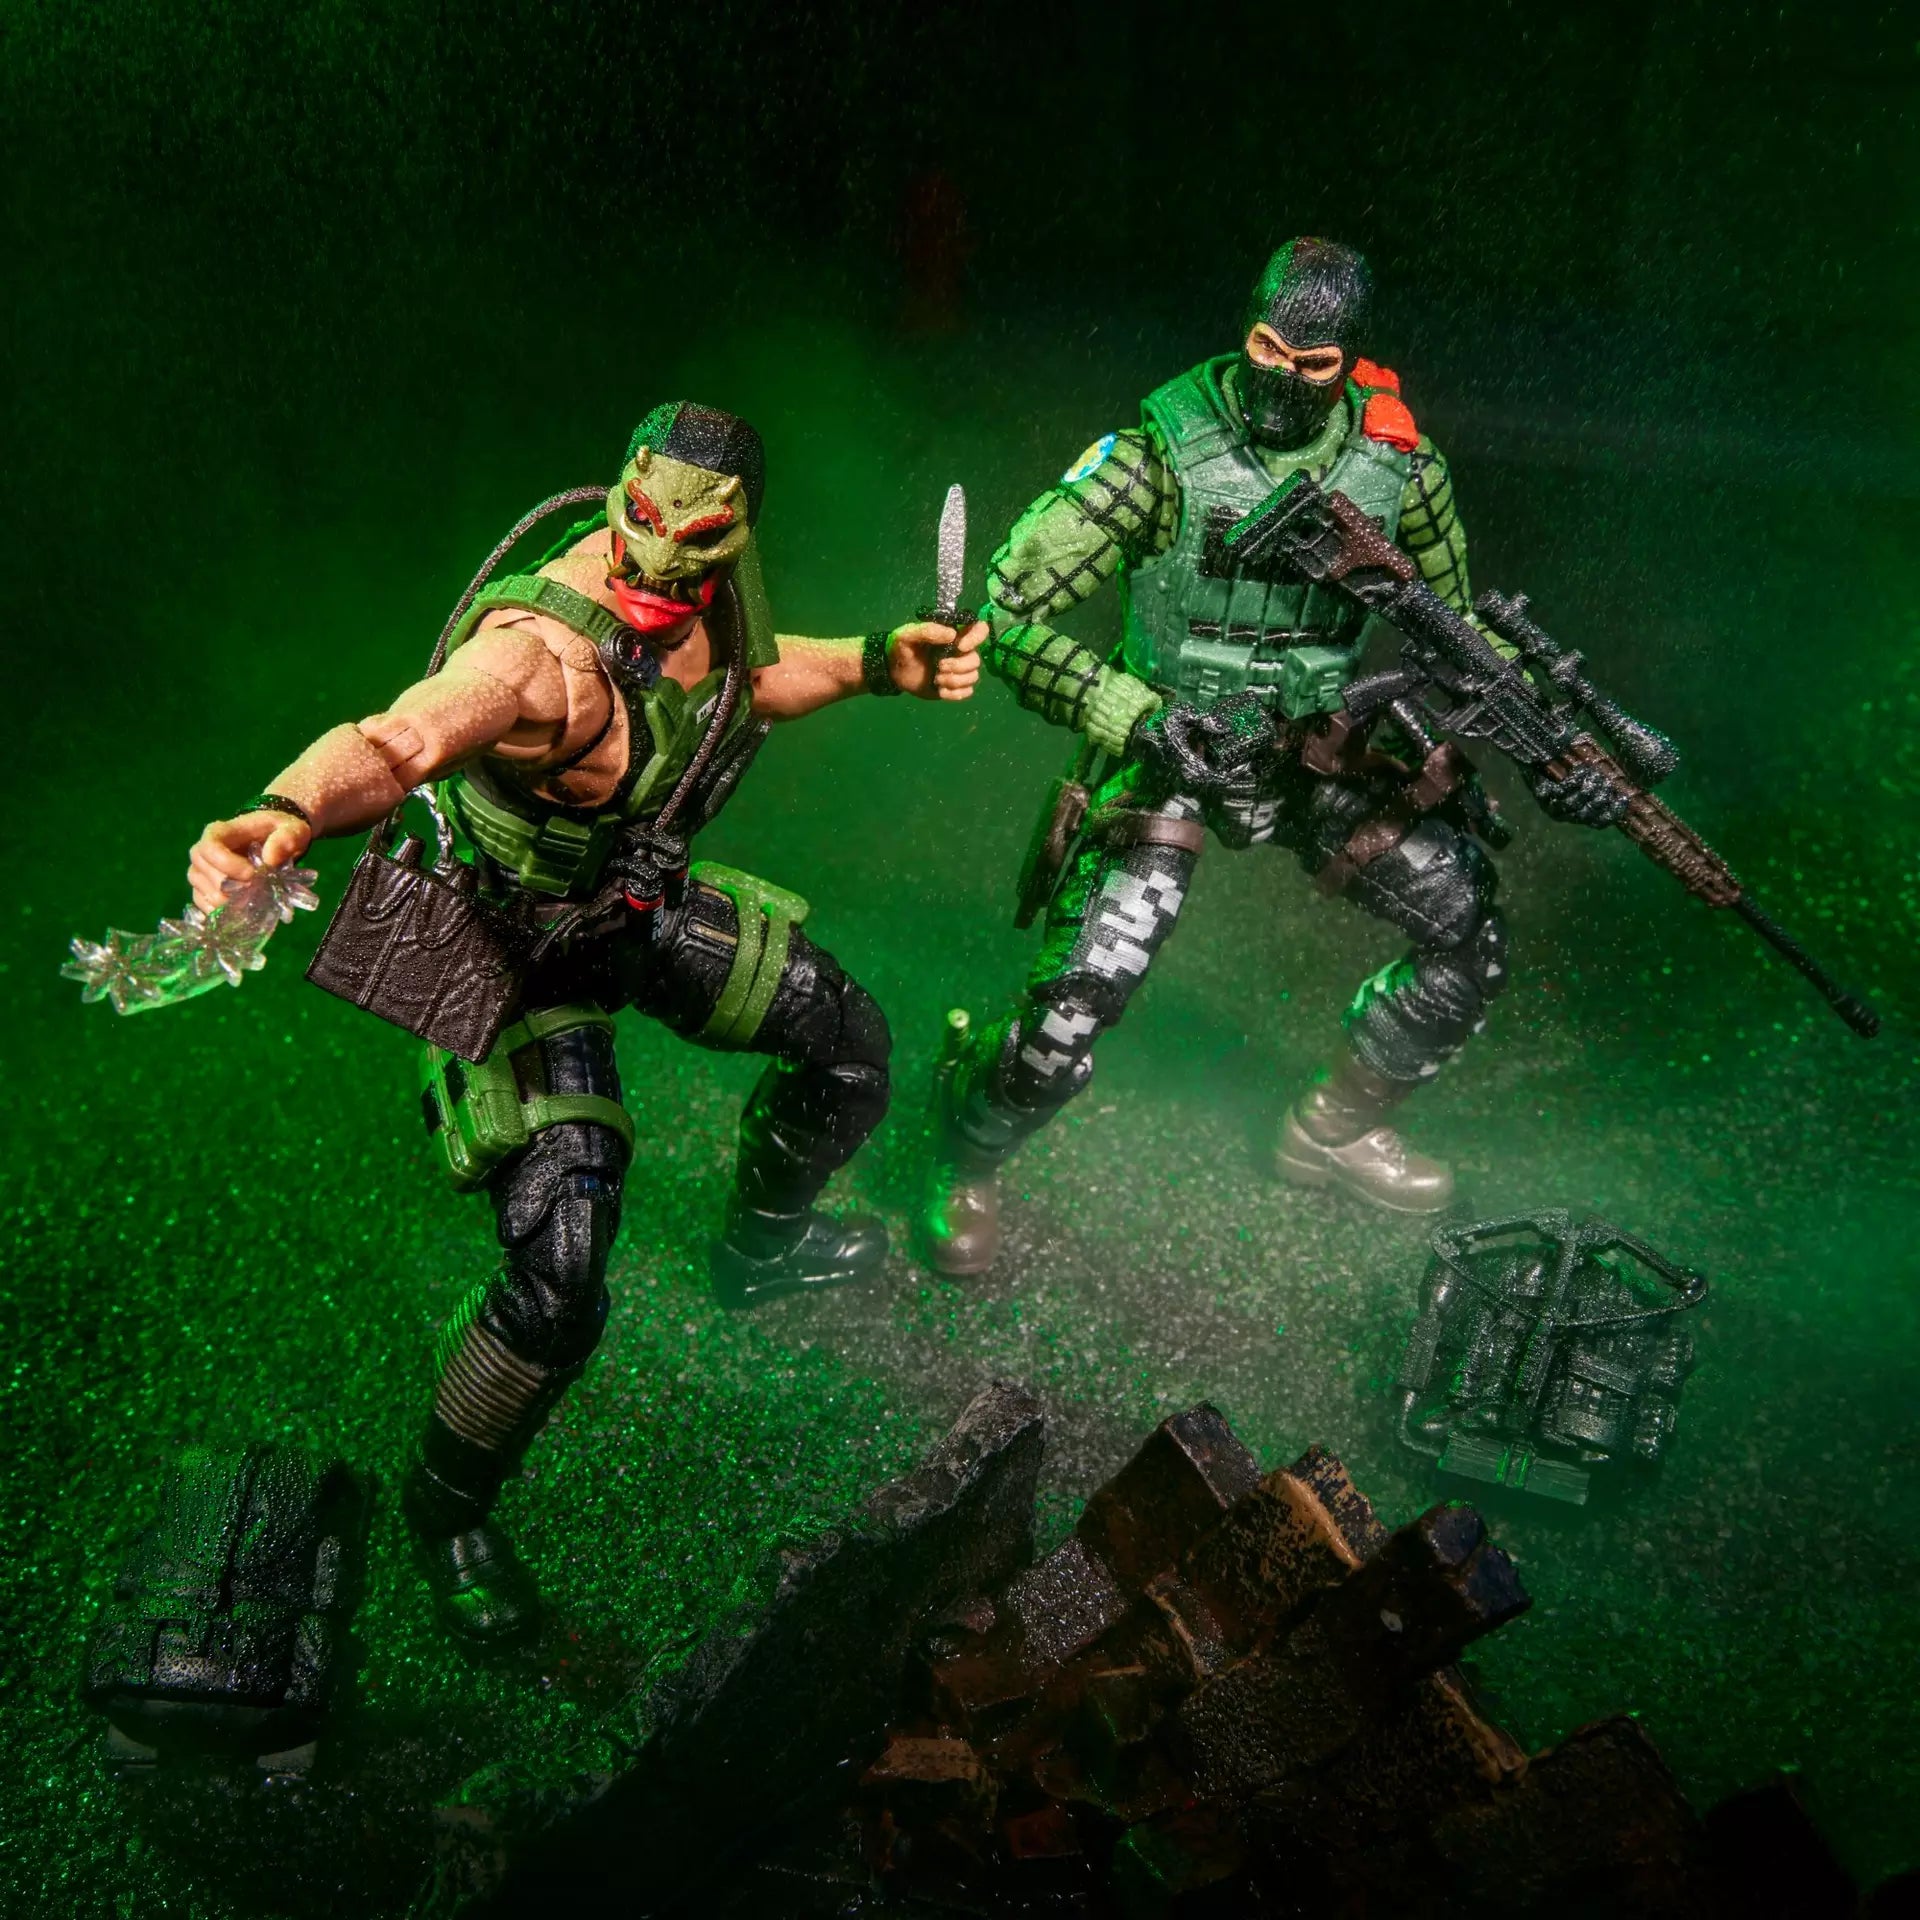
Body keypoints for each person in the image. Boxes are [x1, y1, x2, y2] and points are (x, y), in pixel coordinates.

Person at [188, 400, 985, 1643]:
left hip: (628, 907)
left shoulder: (713, 594)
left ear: (735, 533)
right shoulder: (536, 656)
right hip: (507, 947)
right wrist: (284, 810)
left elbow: (752, 680)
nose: (661, 564)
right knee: (562, 1268)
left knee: (847, 1042)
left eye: (698, 542)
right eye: (644, 526)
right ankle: (446, 1513)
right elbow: (402, 739)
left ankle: (761, 1249)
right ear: (619, 499)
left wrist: (881, 660)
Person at [922, 239, 1617, 1276]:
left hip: (1313, 746)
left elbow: (1460, 628)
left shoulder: (1400, 469)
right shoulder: (1159, 458)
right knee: (1072, 1011)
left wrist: (1560, 746)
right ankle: (966, 1153)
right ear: (1247, 331)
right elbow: (1007, 614)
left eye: (1314, 362)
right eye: (1267, 349)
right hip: (1173, 745)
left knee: (1468, 932)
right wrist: (1133, 716)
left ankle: (1333, 1131)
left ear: (1349, 361)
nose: (1284, 378)